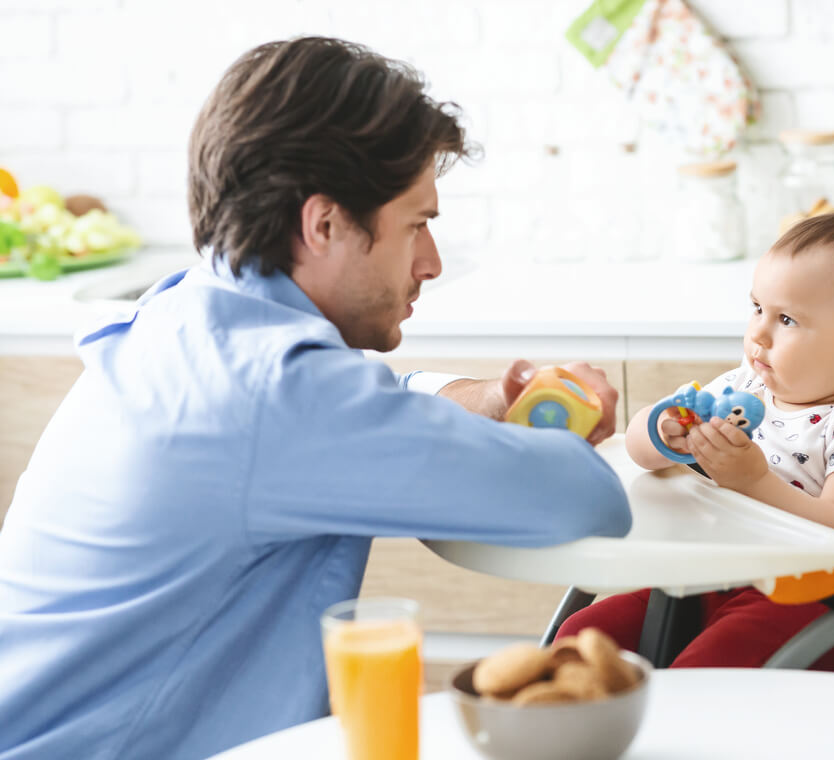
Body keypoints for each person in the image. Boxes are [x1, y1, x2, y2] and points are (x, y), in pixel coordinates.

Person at [0, 37, 631, 760]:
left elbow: (368, 399)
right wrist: (565, 426)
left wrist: (485, 399)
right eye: (418, 225)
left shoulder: (195, 316)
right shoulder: (276, 394)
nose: (431, 263)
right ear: (324, 223)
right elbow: (585, 497)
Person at [557, 212, 834, 669]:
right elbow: (638, 450)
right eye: (757, 309)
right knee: (580, 637)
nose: (759, 333)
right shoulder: (744, 387)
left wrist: (753, 481)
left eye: (786, 319)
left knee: (701, 673)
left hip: (794, 599)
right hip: (701, 573)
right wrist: (663, 431)